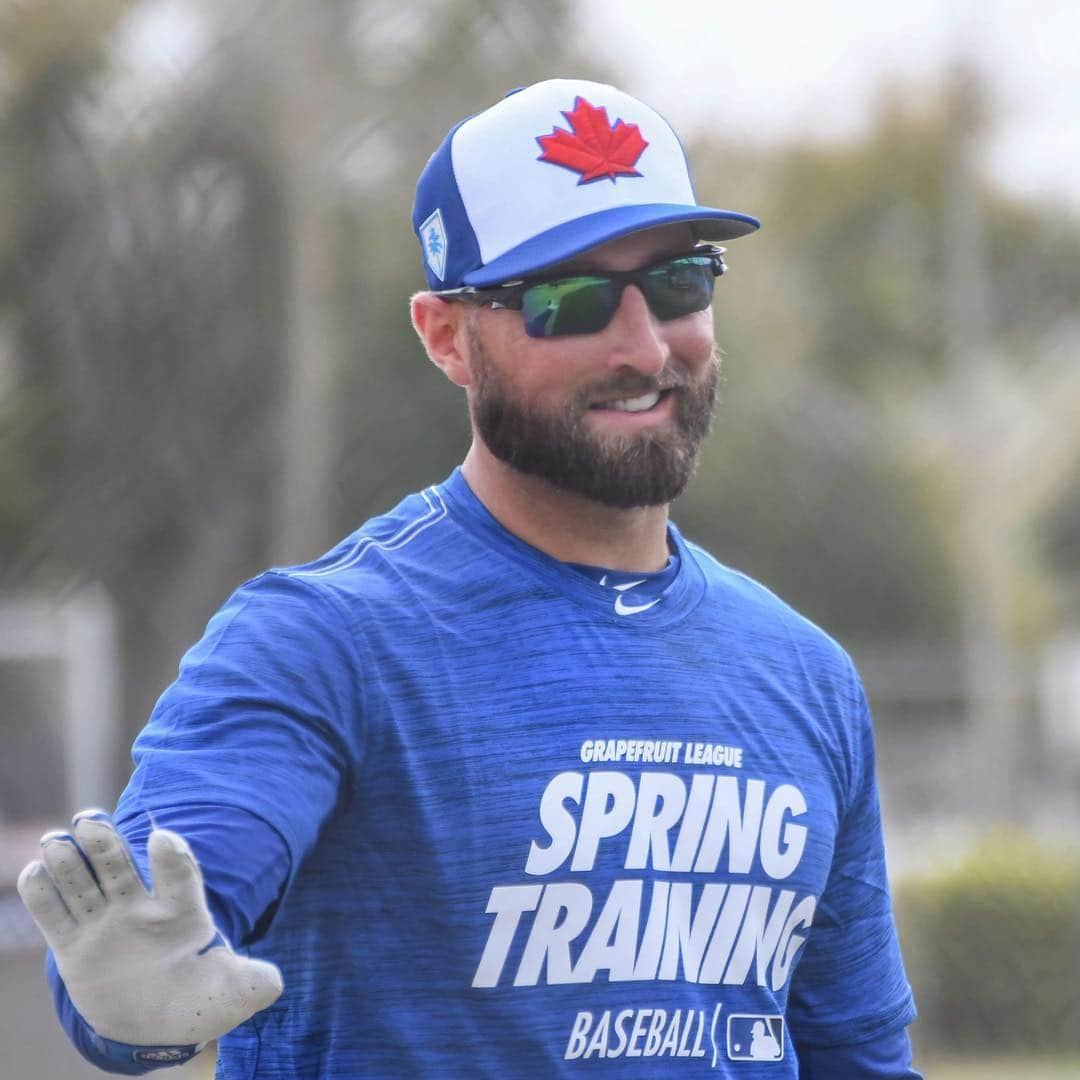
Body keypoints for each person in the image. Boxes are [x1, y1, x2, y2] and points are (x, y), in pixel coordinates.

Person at [18, 78, 921, 1078]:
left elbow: (858, 1058)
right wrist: (133, 993)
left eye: (677, 285)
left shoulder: (804, 675)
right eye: (569, 299)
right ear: (446, 335)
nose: (643, 345)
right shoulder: (324, 644)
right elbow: (164, 909)